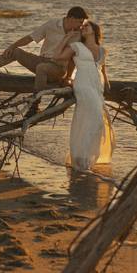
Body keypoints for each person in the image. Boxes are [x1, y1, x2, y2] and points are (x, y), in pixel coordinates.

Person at [53, 21, 114, 170]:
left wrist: (106, 82)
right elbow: (57, 56)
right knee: (96, 118)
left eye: (86, 26)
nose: (83, 28)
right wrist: (67, 38)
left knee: (87, 118)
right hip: (83, 83)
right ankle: (84, 158)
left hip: (96, 86)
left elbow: (102, 69)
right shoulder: (77, 47)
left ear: (94, 30)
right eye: (83, 27)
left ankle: (83, 156)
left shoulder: (102, 50)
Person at [0, 6, 88, 92]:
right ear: (71, 19)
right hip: (41, 61)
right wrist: (12, 46)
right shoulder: (52, 24)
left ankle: (35, 102)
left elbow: (73, 58)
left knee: (42, 67)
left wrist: (68, 77)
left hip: (58, 68)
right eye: (80, 22)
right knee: (16, 51)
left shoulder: (78, 35)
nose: (81, 25)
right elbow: (30, 38)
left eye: (82, 22)